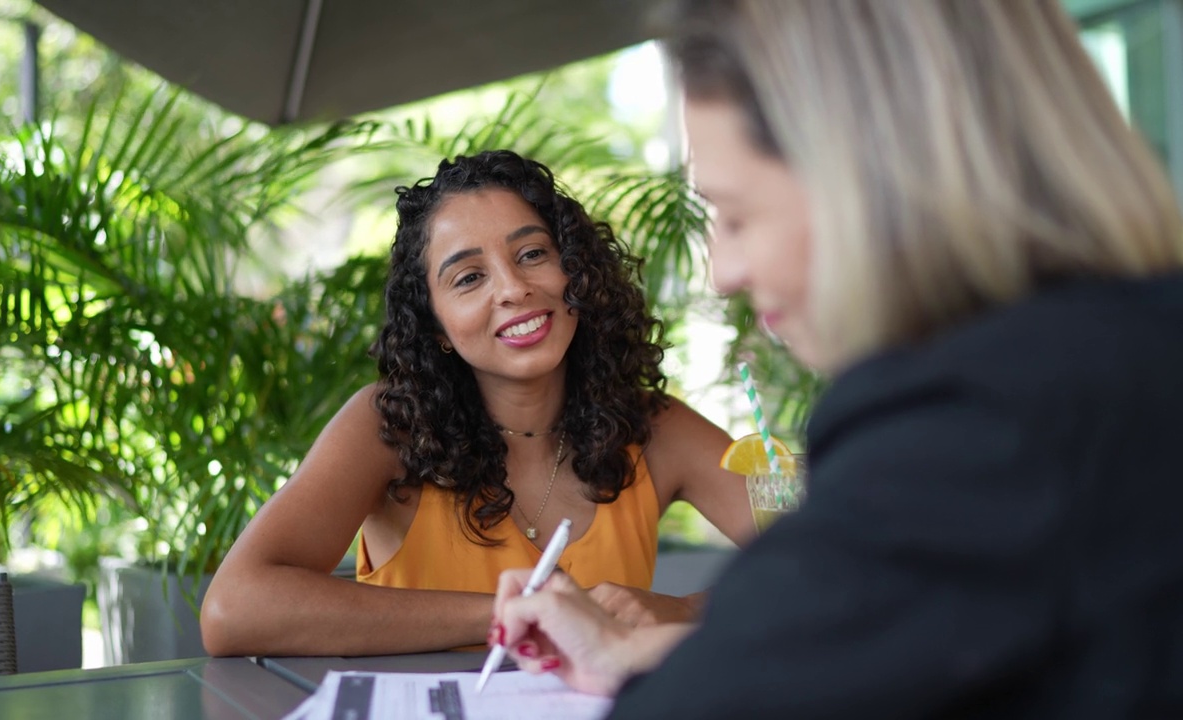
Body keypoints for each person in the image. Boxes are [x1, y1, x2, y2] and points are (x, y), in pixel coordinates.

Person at [491, 0, 1183, 716]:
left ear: (869, 179)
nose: (722, 270)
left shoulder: (974, 426)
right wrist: (639, 654)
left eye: (736, 216)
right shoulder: (1128, 356)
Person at [199, 149, 757, 657]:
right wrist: (513, 613)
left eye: (533, 253)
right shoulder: (389, 425)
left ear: (577, 274)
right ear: (436, 324)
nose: (512, 288)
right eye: (468, 277)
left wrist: (686, 611)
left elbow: (833, 551)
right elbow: (234, 609)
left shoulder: (653, 429)